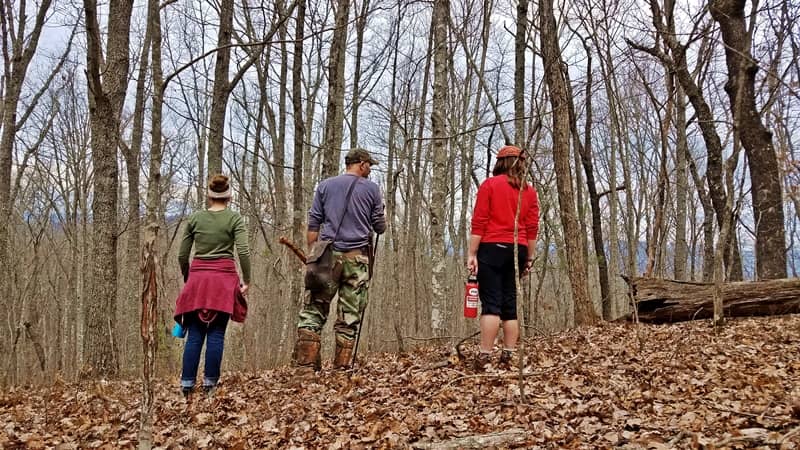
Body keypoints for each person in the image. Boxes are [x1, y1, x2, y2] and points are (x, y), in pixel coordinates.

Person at [293, 148, 386, 374]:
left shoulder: (325, 186)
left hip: (326, 258)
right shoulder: (372, 189)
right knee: (350, 315)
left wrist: (312, 255)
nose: (370, 170)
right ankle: (341, 370)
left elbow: (314, 224)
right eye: (369, 166)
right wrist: (380, 213)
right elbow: (379, 227)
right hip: (357, 260)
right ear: (361, 164)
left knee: (314, 309)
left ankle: (304, 369)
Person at [174, 174, 251, 398]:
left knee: (195, 334)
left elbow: (182, 255)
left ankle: (187, 384)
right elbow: (244, 251)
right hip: (223, 282)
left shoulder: (195, 218)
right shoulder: (235, 219)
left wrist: (190, 278)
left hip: (198, 280)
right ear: (229, 196)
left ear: (209, 196)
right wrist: (247, 280)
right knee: (216, 333)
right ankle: (210, 385)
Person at [467, 144, 539, 370]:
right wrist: (528, 258)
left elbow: (479, 222)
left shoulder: (489, 185)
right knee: (510, 305)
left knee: (491, 305)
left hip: (491, 248)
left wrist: (472, 253)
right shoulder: (529, 191)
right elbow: (532, 228)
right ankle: (508, 355)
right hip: (517, 249)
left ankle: (485, 356)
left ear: (500, 162)